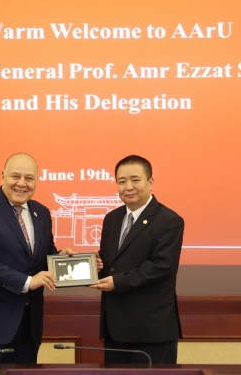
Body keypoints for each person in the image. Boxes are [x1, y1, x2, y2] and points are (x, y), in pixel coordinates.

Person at [0, 153, 78, 364]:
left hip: (28, 324)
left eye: (29, 178)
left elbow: (42, 256)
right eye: (16, 176)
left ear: (36, 181)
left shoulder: (41, 212)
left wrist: (62, 259)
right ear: (3, 176)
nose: (22, 183)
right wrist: (29, 282)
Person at [91, 155, 184, 364]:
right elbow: (112, 263)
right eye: (122, 181)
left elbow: (162, 266)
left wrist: (118, 282)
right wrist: (96, 265)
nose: (128, 187)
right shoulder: (112, 219)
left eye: (135, 180)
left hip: (151, 330)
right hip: (115, 328)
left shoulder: (169, 220)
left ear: (150, 182)